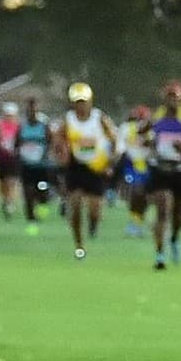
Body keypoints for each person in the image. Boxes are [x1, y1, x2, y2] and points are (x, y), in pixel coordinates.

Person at [59, 82, 120, 260]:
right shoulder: (69, 119)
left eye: (84, 102)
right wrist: (61, 153)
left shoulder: (99, 118)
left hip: (96, 166)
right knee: (75, 206)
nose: (81, 106)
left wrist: (110, 162)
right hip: (77, 167)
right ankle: (79, 245)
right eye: (77, 102)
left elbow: (114, 139)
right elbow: (58, 139)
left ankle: (93, 223)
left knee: (94, 209)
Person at [147, 81, 181, 270]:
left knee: (179, 212)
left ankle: (175, 238)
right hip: (160, 167)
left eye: (176, 97)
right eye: (169, 96)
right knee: (162, 209)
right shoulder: (157, 115)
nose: (172, 100)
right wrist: (149, 141)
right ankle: (160, 254)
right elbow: (144, 132)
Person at [15, 96, 54, 226]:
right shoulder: (22, 127)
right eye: (29, 109)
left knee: (42, 189)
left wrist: (47, 154)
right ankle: (31, 218)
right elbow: (17, 144)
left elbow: (50, 142)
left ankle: (42, 206)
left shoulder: (44, 126)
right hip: (26, 165)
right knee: (28, 191)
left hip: (41, 166)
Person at [118, 106, 155, 239]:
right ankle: (134, 223)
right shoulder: (126, 128)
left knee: (144, 197)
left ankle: (137, 222)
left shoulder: (152, 131)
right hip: (131, 166)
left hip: (148, 167)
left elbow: (153, 146)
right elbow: (120, 148)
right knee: (136, 192)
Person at [0, 102, 23, 220]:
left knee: (11, 181)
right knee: (3, 183)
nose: (9, 117)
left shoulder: (18, 127)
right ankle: (5, 200)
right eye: (7, 115)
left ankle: (9, 203)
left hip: (13, 159)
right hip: (2, 159)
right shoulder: (0, 126)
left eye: (11, 115)